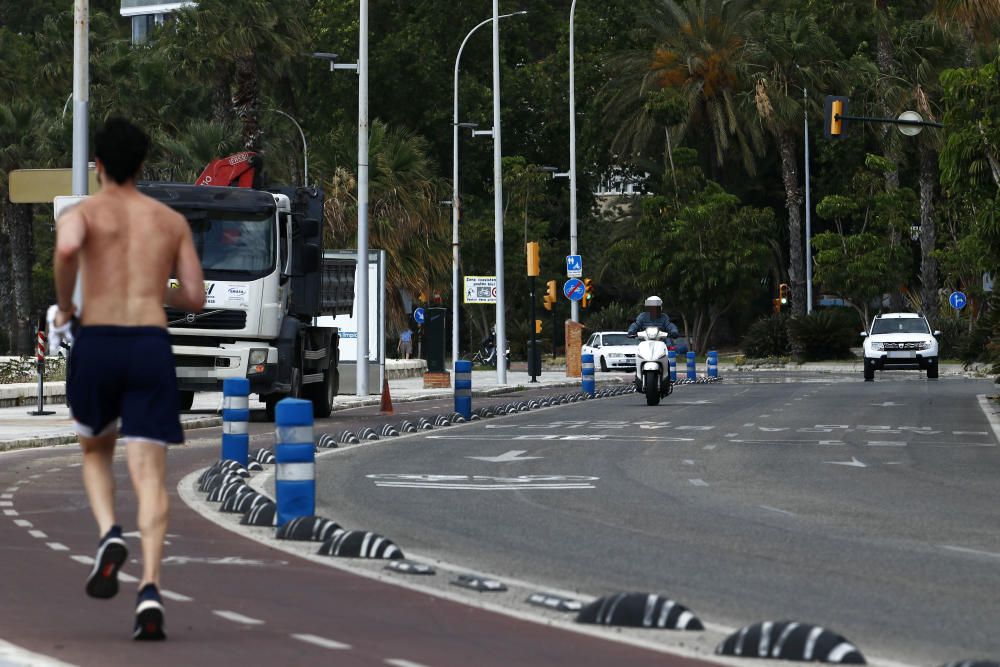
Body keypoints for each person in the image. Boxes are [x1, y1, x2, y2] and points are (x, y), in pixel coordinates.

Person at [53, 117, 205, 641]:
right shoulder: (168, 222)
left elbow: (69, 249)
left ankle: (109, 534)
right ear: (142, 165)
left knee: (96, 449)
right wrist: (153, 290)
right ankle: (150, 590)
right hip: (148, 344)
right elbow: (196, 296)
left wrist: (63, 310)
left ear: (97, 166)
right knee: (149, 473)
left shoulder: (85, 212)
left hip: (97, 340)